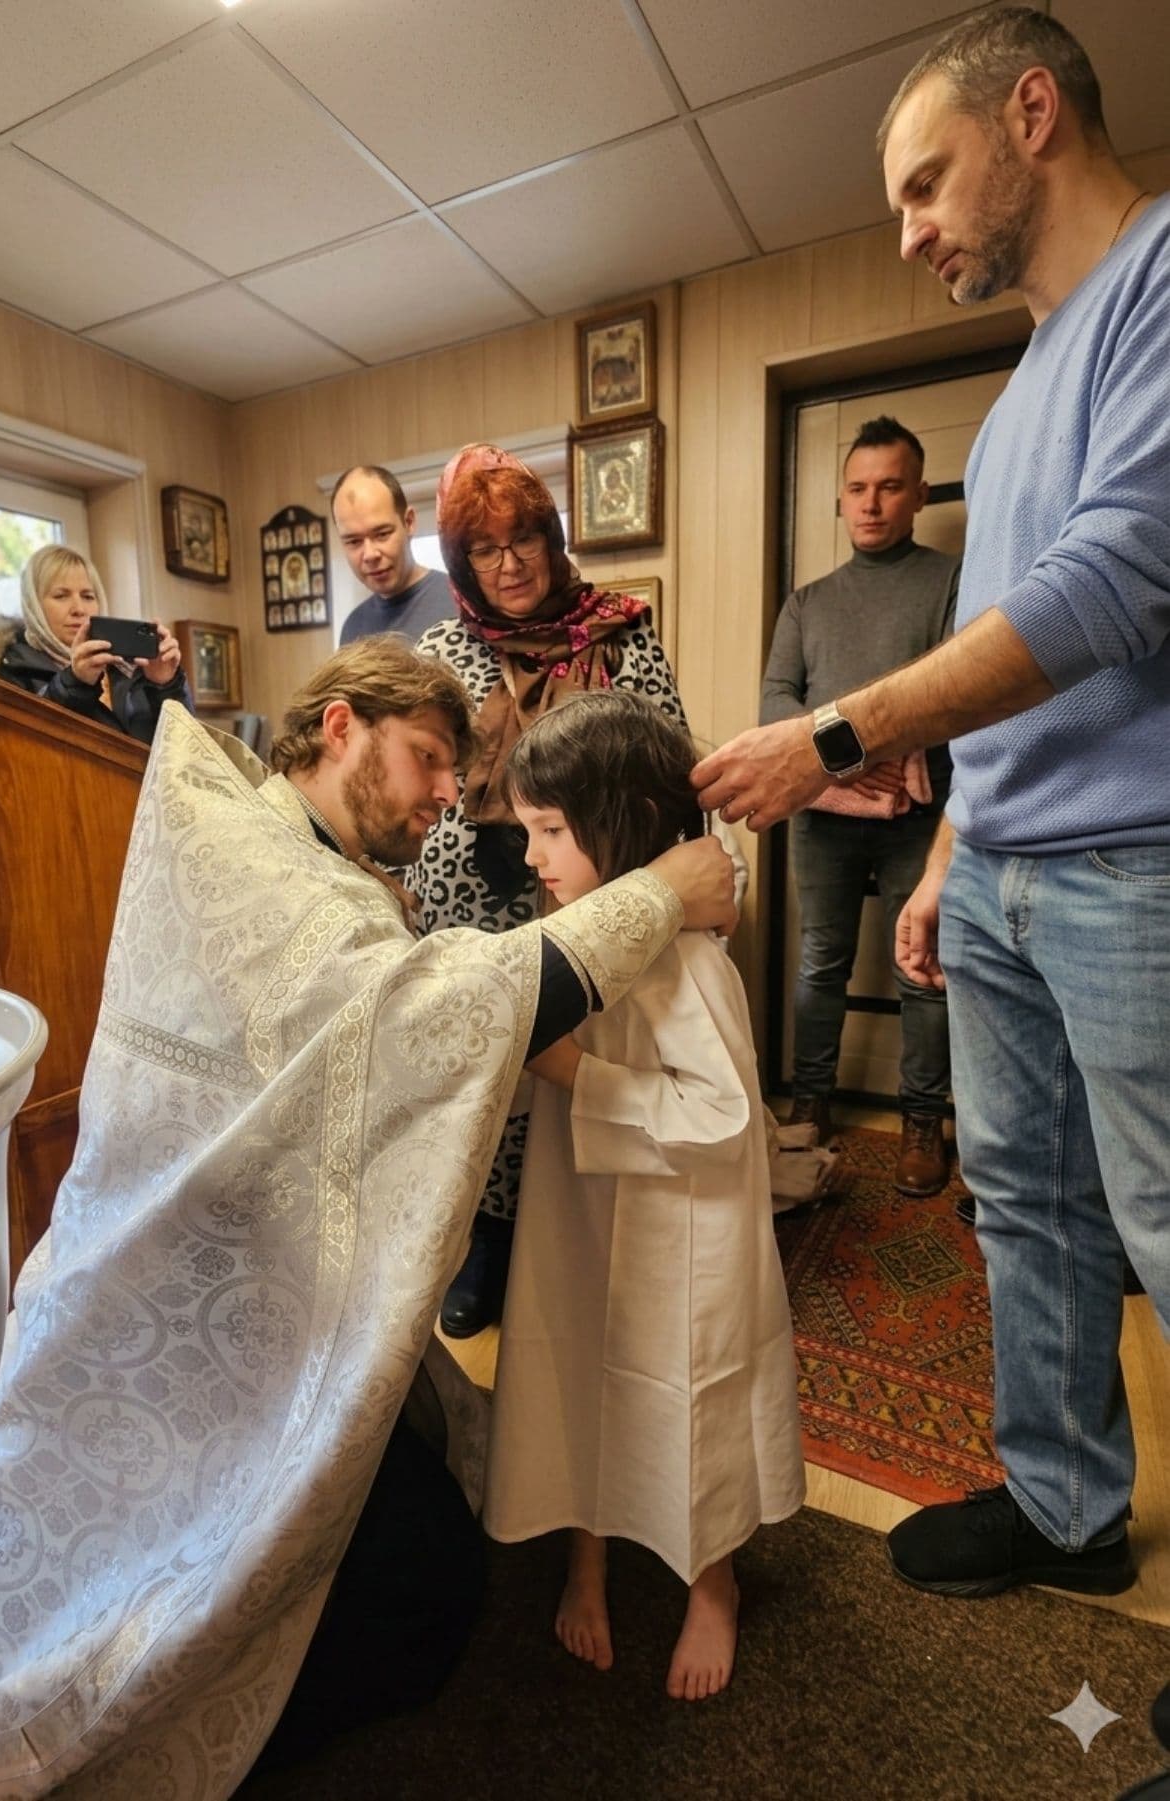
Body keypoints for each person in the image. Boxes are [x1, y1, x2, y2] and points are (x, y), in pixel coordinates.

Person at [0, 639, 737, 1798]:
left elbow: (379, 1054)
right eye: (428, 757)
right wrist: (663, 894)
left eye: (456, 770)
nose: (448, 793)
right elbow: (419, 1018)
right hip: (177, 1336)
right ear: (341, 725)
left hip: (250, 1298)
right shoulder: (257, 857)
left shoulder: (303, 857)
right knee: (416, 1597)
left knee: (429, 1536)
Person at [693, 4, 1169, 1612]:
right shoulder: (1026, 380)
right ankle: (1062, 1505)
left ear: (1029, 114)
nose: (906, 231)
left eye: (921, 184)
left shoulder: (1157, 285)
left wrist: (833, 735)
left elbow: (1113, 586)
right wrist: (948, 858)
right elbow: (1015, 673)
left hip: (1133, 869)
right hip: (1001, 868)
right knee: (1025, 1209)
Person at [485, 693, 805, 1702]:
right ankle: (586, 1551)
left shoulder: (687, 959)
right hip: (579, 1200)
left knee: (689, 1383)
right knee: (577, 1359)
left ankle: (713, 1577)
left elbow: (721, 1115)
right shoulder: (570, 937)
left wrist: (574, 1072)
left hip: (681, 1220)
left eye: (549, 830)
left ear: (620, 823)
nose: (531, 855)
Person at [413, 442, 720, 1338]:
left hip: (593, 897)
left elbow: (668, 765)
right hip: (468, 896)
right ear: (462, 562)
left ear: (552, 541)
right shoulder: (442, 648)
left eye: (524, 541)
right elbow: (420, 765)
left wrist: (686, 886)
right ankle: (483, 1237)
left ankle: (564, 1237)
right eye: (484, 549)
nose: (509, 564)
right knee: (489, 1064)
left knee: (575, 1063)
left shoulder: (621, 633)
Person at [760, 415, 958, 1193]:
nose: (870, 503)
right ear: (840, 499)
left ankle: (922, 1120)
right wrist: (842, 768)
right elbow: (776, 701)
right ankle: (809, 1105)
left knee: (920, 968)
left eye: (889, 487)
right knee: (820, 963)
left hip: (922, 816)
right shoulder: (806, 602)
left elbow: (957, 689)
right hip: (821, 817)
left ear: (919, 495)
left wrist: (870, 752)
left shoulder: (951, 581)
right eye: (857, 488)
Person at [0, 543, 191, 743]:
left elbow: (184, 752)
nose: (79, 609)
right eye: (61, 596)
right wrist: (75, 682)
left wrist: (165, 686)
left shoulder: (128, 667)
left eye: (87, 596)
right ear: (34, 606)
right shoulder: (8, 675)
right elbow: (23, 747)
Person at [331, 464, 454, 645]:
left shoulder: (462, 603)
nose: (370, 555)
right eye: (354, 541)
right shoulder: (352, 628)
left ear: (409, 522)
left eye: (382, 534)